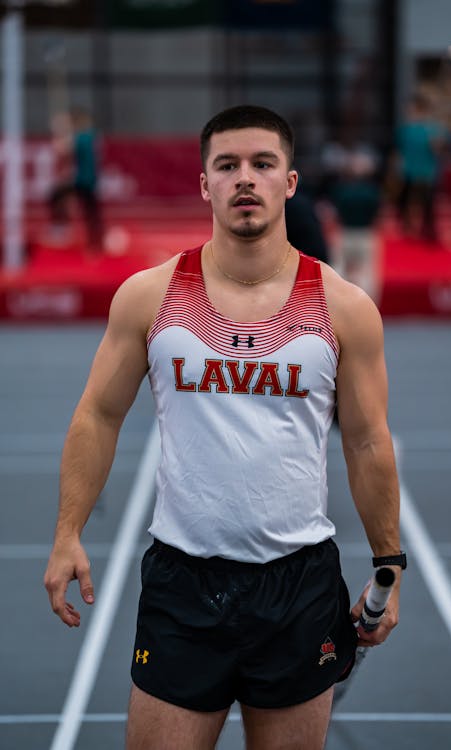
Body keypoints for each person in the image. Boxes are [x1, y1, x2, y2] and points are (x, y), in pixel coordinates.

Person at [44, 105, 404, 750]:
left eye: (263, 164)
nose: (246, 179)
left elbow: (367, 441)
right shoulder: (149, 296)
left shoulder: (344, 309)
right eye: (228, 165)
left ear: (289, 183)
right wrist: (68, 531)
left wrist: (388, 565)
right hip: (184, 584)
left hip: (297, 585)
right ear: (204, 183)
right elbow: (98, 413)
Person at [47, 106, 103, 251]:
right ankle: (96, 243)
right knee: (91, 212)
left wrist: (58, 130)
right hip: (90, 180)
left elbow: (62, 149)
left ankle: (60, 230)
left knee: (56, 196)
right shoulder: (91, 136)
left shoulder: (82, 137)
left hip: (82, 180)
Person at [330, 150, 382, 304]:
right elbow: (378, 214)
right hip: (365, 234)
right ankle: (369, 306)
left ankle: (338, 305)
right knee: (367, 274)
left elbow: (335, 213)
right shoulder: (373, 191)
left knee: (339, 272)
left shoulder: (341, 190)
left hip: (345, 233)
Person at [394, 93, 447, 243]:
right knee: (403, 201)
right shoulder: (405, 129)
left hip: (427, 171)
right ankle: (407, 228)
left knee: (428, 204)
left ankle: (428, 232)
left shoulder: (435, 129)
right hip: (408, 170)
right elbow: (398, 151)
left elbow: (441, 150)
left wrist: (437, 144)